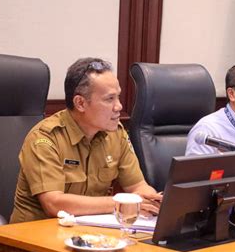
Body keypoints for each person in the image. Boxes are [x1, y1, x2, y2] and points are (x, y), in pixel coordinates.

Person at [10, 57, 162, 223]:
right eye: (109, 99)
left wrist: (152, 201)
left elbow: (137, 187)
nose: (119, 106)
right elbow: (53, 204)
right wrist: (119, 203)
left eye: (118, 97)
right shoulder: (45, 139)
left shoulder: (116, 134)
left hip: (90, 234)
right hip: (33, 236)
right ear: (80, 103)